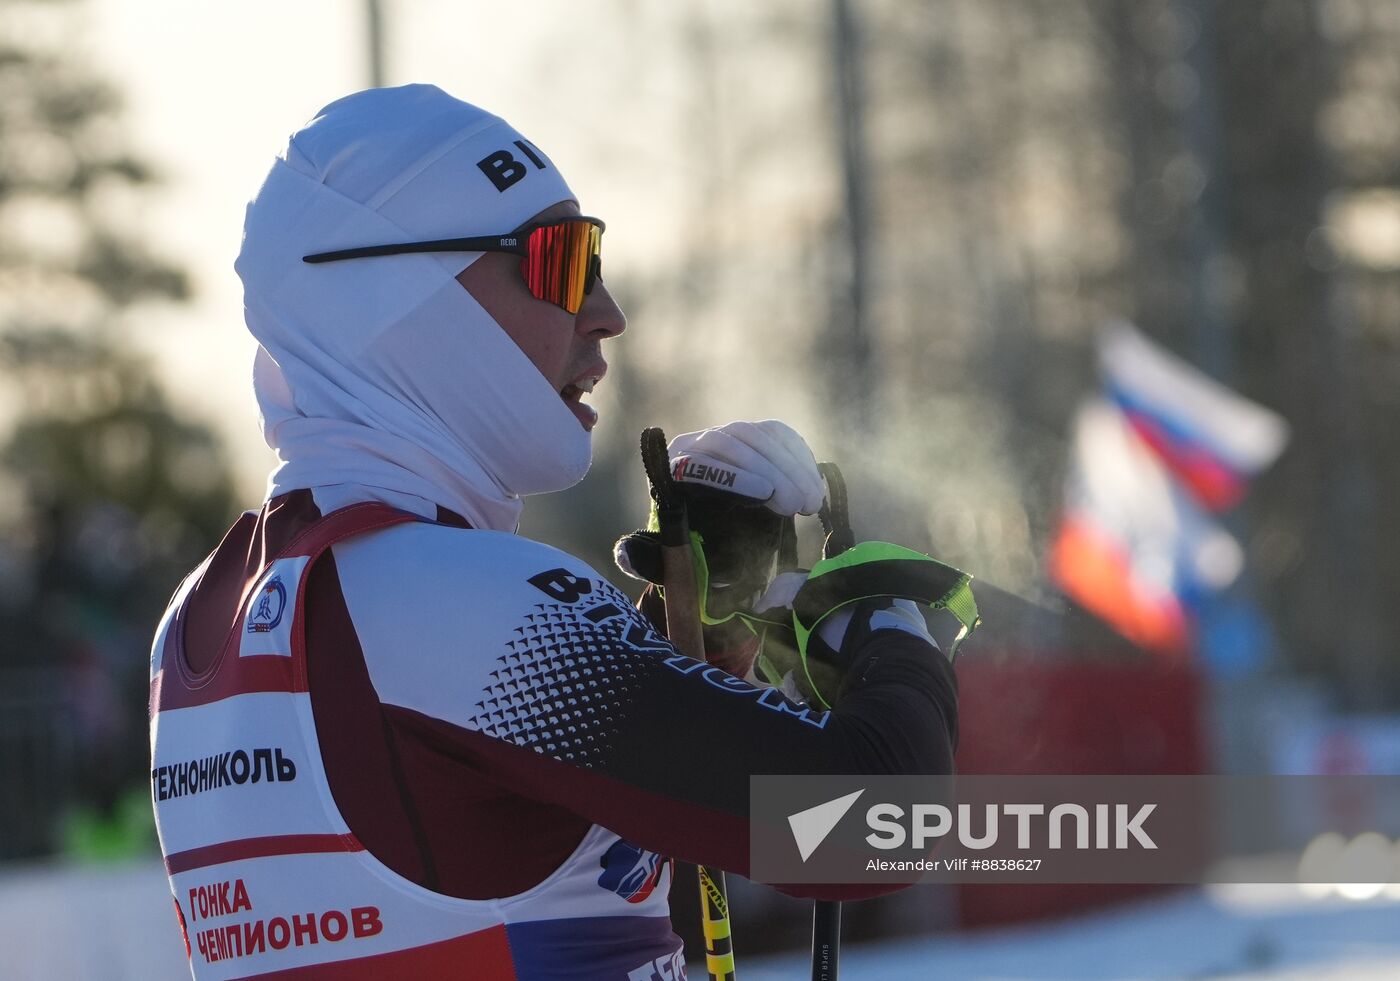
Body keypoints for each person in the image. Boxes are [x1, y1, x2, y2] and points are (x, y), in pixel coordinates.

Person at [148, 84, 960, 980]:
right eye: (559, 261)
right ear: (397, 298)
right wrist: (884, 622)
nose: (606, 309)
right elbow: (870, 823)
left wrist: (694, 654)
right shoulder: (447, 595)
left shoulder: (203, 616)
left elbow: (528, 871)